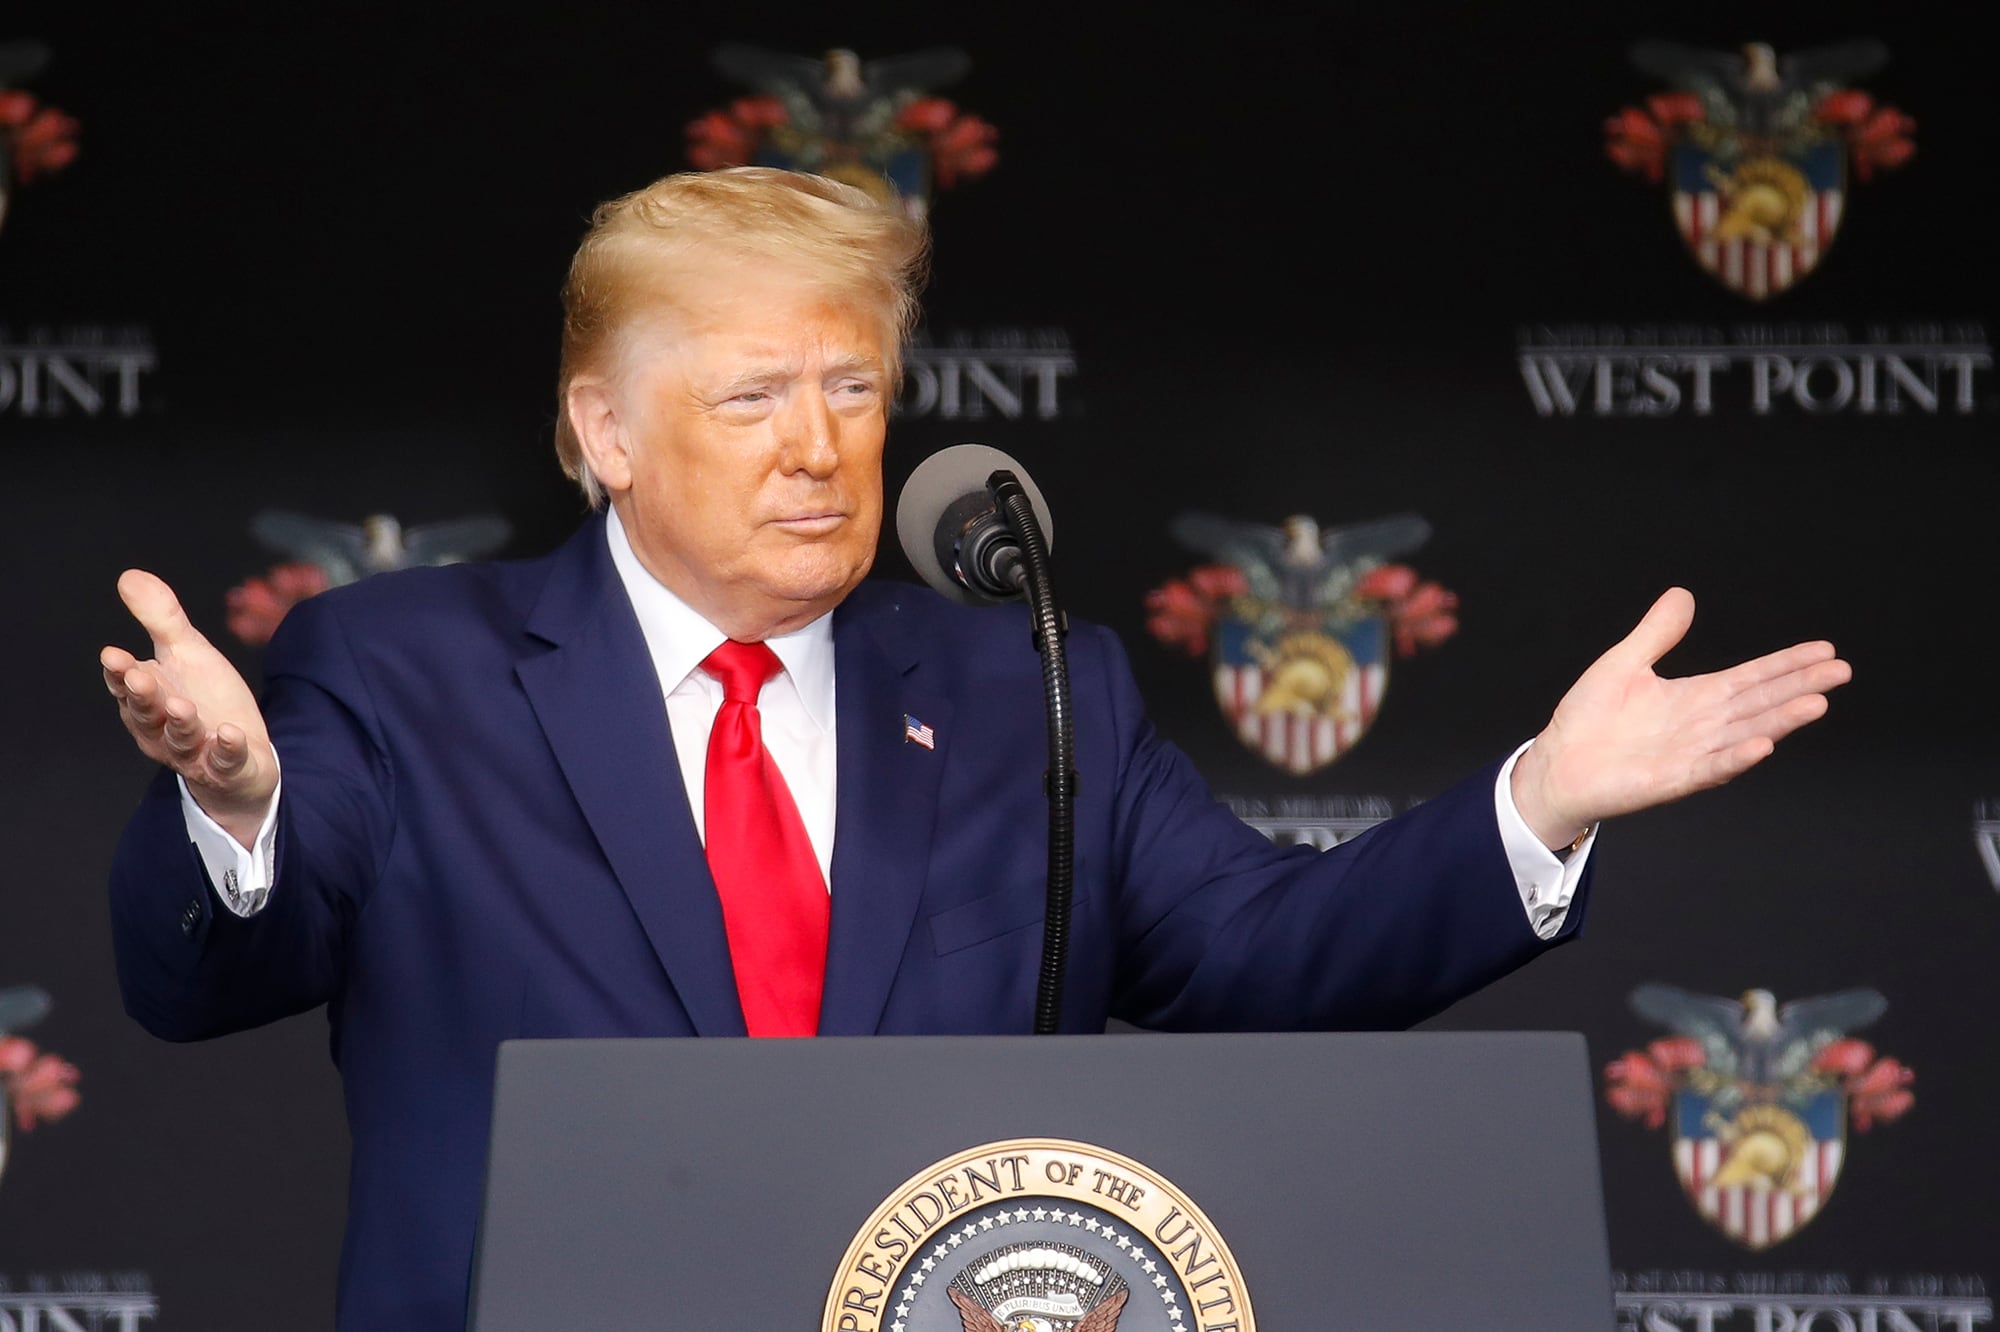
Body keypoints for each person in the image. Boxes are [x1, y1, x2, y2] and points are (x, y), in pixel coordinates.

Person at [99, 167, 1849, 1330]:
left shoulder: (1028, 683)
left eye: (852, 390)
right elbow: (215, 968)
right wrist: (234, 796)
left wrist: (1536, 801)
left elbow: (1259, 959)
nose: (816, 449)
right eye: (749, 398)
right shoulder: (406, 665)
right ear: (602, 430)